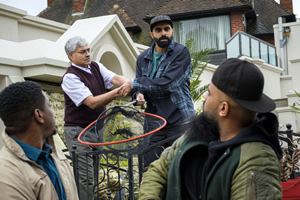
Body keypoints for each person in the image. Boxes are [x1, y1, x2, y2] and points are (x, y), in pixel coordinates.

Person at [139, 58, 283, 199]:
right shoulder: (199, 133)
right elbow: (159, 169)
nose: (205, 96)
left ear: (223, 108)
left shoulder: (257, 161)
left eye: (209, 92)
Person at [61, 36, 131, 200]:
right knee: (85, 179)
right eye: (82, 52)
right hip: (79, 131)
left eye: (88, 50)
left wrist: (127, 83)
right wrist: (118, 91)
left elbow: (115, 78)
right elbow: (92, 103)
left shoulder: (96, 66)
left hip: (96, 128)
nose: (87, 54)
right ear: (71, 56)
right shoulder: (70, 77)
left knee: (92, 175)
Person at [131, 15, 195, 168]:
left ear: (172, 31)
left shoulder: (181, 53)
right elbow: (140, 86)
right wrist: (138, 94)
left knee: (180, 166)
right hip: (154, 120)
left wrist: (134, 84)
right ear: (151, 34)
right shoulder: (142, 58)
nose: (163, 33)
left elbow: (169, 84)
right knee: (149, 167)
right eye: (158, 30)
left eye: (166, 29)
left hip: (180, 119)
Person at [0, 81, 79, 200]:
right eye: (50, 106)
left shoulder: (55, 152)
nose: (53, 113)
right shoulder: (6, 174)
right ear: (39, 115)